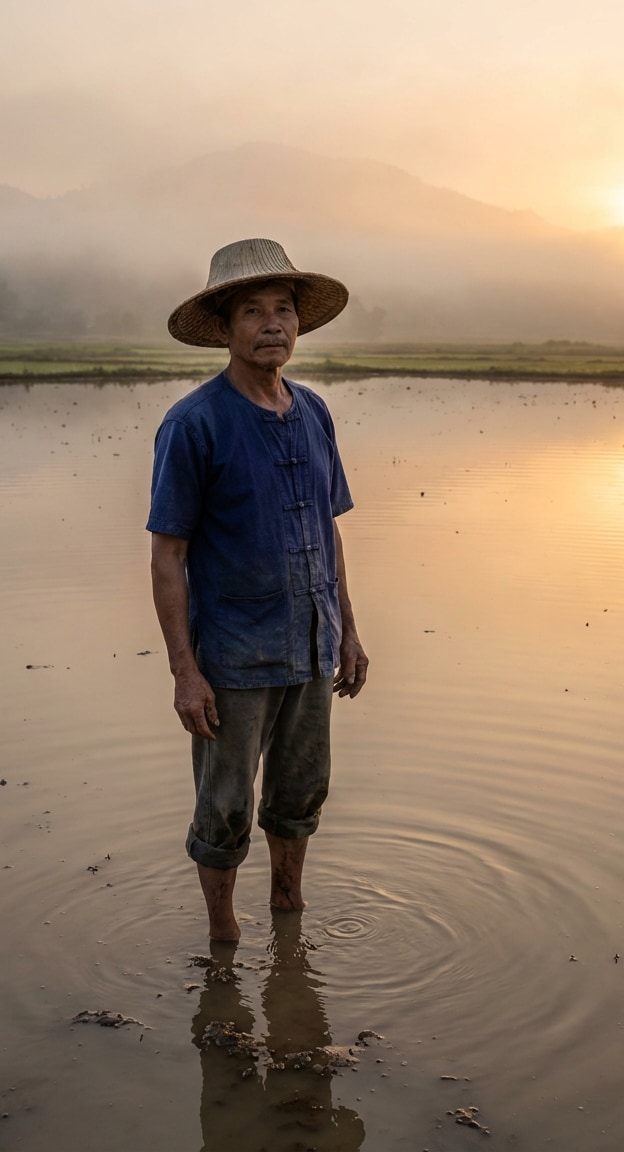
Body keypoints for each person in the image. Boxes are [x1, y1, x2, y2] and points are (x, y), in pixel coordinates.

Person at [147, 238, 368, 940]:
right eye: (254, 311)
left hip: (311, 646)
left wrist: (349, 632)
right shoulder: (195, 423)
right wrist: (186, 672)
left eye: (284, 311)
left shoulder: (314, 413)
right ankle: (223, 938)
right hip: (234, 658)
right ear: (227, 327)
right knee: (224, 806)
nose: (273, 324)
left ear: (299, 326)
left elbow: (329, 534)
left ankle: (288, 911)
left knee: (300, 795)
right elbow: (168, 554)